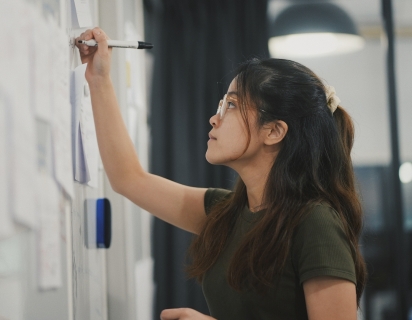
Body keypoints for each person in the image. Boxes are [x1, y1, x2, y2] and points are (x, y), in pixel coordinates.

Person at [76, 27, 367, 320]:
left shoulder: (316, 222)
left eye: (231, 105)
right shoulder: (225, 213)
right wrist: (99, 79)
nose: (215, 118)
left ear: (274, 131)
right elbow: (129, 179)